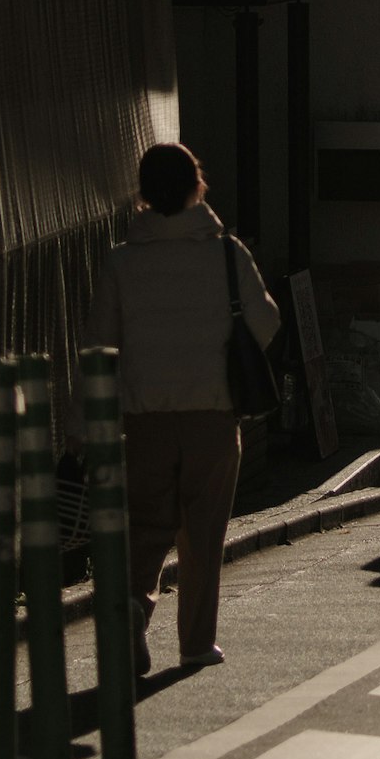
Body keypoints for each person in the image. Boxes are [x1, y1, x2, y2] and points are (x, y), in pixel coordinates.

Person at [98, 141, 280, 678]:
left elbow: (99, 346)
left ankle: (134, 604)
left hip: (144, 417)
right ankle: (196, 643)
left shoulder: (122, 261)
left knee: (147, 524)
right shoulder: (225, 253)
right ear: (197, 185)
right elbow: (266, 321)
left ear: (143, 194)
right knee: (202, 531)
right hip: (212, 412)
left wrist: (84, 428)